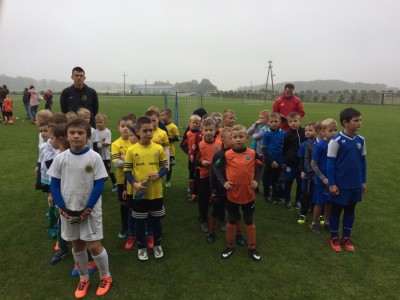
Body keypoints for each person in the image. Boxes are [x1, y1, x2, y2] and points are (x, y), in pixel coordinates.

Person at [47, 118, 112, 298]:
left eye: (80, 133)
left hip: (89, 210)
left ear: (87, 136)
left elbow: (99, 183)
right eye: (72, 133)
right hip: (68, 210)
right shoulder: (61, 158)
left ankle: (105, 276)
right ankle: (83, 278)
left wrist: (89, 207)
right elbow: (54, 184)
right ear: (67, 136)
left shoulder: (94, 157)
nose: (76, 136)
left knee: (93, 245)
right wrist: (61, 207)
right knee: (76, 244)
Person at [214, 124, 263, 261]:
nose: (238, 140)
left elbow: (261, 165)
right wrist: (223, 182)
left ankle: (252, 248)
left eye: (241, 137)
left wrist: (257, 180)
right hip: (232, 195)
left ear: (246, 138)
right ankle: (230, 246)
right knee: (232, 220)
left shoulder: (252, 153)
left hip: (248, 195)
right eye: (234, 137)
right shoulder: (226, 154)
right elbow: (216, 167)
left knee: (249, 220)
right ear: (231, 138)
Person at [124, 116, 168, 261]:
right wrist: (134, 184)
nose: (149, 133)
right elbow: (127, 171)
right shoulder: (131, 150)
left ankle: (157, 244)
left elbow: (165, 167)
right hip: (139, 193)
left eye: (151, 130)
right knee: (140, 221)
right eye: (145, 130)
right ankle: (142, 247)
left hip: (155, 193)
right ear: (138, 131)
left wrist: (159, 174)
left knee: (156, 220)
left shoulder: (158, 148)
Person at [327, 108, 366, 252]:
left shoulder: (361, 140)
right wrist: (332, 183)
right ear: (345, 122)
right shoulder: (336, 140)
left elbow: (362, 162)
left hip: (355, 184)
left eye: (360, 120)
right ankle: (334, 237)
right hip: (340, 184)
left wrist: (363, 181)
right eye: (356, 120)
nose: (359, 123)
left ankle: (346, 237)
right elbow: (330, 163)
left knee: (350, 210)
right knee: (336, 210)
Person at [208, 127, 245, 245]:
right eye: (231, 138)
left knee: (236, 213)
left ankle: (239, 234)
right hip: (220, 189)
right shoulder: (219, 155)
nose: (234, 140)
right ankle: (212, 232)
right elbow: (213, 173)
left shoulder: (239, 153)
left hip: (234, 190)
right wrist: (213, 189)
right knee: (216, 211)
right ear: (222, 140)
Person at [310, 118, 338, 235]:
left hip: (333, 179)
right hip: (322, 181)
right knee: (320, 202)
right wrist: (323, 178)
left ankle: (326, 221)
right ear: (323, 131)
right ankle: (314, 223)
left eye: (335, 130)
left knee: (330, 202)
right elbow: (314, 163)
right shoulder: (321, 145)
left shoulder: (336, 143)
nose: (333, 133)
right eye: (330, 130)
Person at [194, 117, 222, 233]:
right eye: (206, 130)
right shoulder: (200, 145)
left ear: (215, 130)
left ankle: (221, 218)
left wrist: (217, 164)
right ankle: (203, 219)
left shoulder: (220, 144)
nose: (209, 132)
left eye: (211, 130)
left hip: (217, 175)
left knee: (219, 197)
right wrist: (201, 163)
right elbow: (194, 161)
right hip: (204, 175)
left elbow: (225, 158)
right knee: (203, 198)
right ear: (202, 130)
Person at [111, 116, 134, 240]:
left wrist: (126, 159)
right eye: (123, 126)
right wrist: (132, 160)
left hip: (136, 179)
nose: (126, 129)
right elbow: (116, 163)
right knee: (125, 204)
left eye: (129, 126)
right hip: (122, 180)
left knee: (138, 203)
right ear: (118, 128)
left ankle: (140, 225)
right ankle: (125, 227)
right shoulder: (116, 144)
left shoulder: (136, 140)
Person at [282, 112, 306, 209]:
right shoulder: (287, 135)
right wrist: (284, 161)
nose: (293, 123)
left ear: (300, 121)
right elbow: (285, 149)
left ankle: (298, 201)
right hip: (290, 164)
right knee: (288, 183)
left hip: (301, 165)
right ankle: (287, 200)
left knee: (300, 184)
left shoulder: (305, 132)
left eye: (295, 121)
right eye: (290, 122)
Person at [262, 112, 286, 203]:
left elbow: (284, 148)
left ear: (280, 122)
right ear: (269, 122)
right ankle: (267, 195)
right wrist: (271, 161)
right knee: (266, 178)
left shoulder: (283, 133)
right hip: (269, 161)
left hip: (279, 160)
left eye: (276, 121)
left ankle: (275, 195)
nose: (274, 123)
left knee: (275, 179)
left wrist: (283, 161)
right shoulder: (266, 134)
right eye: (271, 121)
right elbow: (264, 149)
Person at [297, 122, 317, 224]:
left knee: (316, 194)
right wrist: (302, 171)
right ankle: (303, 212)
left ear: (317, 131)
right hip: (307, 174)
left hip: (318, 175)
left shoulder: (319, 144)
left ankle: (316, 212)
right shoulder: (304, 144)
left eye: (310, 130)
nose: (307, 132)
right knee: (306, 193)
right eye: (306, 130)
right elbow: (300, 159)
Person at [246, 109, 270, 195]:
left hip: (261, 152)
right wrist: (255, 124)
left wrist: (253, 135)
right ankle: (255, 187)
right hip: (253, 150)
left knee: (260, 170)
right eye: (259, 117)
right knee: (253, 169)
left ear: (268, 119)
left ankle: (261, 186)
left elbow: (256, 136)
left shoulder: (267, 128)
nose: (260, 119)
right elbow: (248, 132)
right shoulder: (258, 125)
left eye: (262, 118)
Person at [95, 113, 118, 192]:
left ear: (105, 122)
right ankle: (96, 184)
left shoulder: (107, 132)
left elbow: (108, 143)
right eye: (97, 122)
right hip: (97, 155)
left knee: (108, 170)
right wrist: (99, 143)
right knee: (96, 170)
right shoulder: (95, 131)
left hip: (105, 156)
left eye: (100, 122)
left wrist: (100, 143)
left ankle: (115, 183)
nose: (98, 124)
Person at [160, 108, 179, 188]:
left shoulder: (173, 127)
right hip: (161, 150)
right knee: (160, 165)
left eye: (163, 115)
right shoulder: (161, 126)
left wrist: (167, 139)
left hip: (170, 151)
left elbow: (177, 138)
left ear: (168, 116)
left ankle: (167, 181)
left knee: (169, 166)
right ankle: (159, 178)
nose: (161, 117)